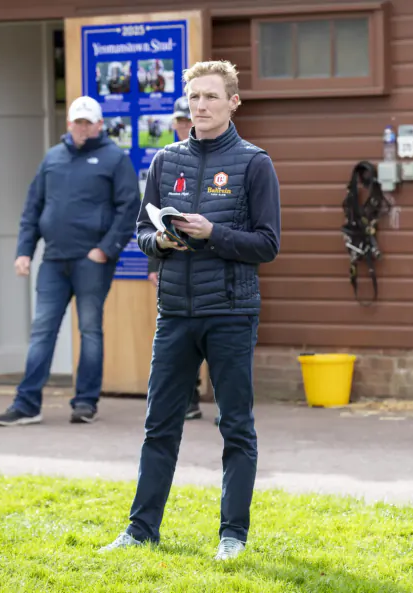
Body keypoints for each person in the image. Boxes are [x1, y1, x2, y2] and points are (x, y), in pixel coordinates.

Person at [100, 60, 281, 561]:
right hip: (175, 311)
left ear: (233, 102)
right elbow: (141, 233)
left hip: (230, 312)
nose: (200, 106)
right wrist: (158, 239)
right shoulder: (166, 160)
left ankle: (233, 536)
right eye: (194, 98)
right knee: (160, 424)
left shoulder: (254, 162)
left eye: (210, 97)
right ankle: (140, 530)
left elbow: (267, 244)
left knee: (235, 426)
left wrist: (212, 234)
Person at [0, 96, 141, 427]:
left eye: (89, 123)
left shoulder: (115, 159)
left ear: (100, 125)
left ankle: (85, 402)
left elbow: (129, 208)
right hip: (54, 261)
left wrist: (105, 250)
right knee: (42, 331)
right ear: (69, 124)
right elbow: (33, 207)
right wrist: (24, 251)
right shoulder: (53, 158)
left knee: (90, 330)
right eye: (78, 122)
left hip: (92, 262)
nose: (83, 128)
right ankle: (27, 404)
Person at [146, 96, 204, 421]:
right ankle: (189, 398)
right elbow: (152, 217)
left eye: (188, 120)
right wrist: (154, 262)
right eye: (180, 121)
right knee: (180, 337)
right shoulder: (166, 160)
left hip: (212, 262)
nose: (184, 126)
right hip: (174, 262)